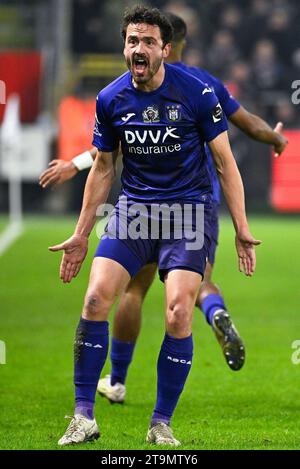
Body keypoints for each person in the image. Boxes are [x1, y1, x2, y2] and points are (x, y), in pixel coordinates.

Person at [40, 12, 287, 405]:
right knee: (190, 290)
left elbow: (111, 149)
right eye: (134, 41)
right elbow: (249, 126)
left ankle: (118, 381)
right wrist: (276, 138)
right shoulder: (206, 83)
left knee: (134, 292)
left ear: (167, 45)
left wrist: (74, 163)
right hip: (183, 205)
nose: (141, 49)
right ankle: (216, 312)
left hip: (183, 204)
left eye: (149, 42)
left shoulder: (190, 89)